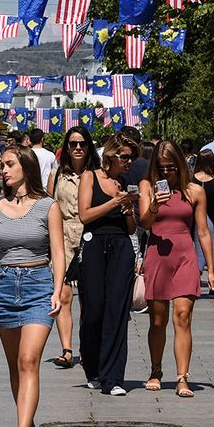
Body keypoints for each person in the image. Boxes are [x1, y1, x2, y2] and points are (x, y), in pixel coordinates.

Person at [0, 145, 64, 427]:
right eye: (1, 165)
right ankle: (26, 426)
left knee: (29, 360)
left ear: (25, 167)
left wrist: (57, 290)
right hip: (4, 290)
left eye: (9, 164)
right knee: (16, 365)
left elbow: (58, 251)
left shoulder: (48, 206)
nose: (3, 170)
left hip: (38, 286)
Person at [139, 141, 214, 396]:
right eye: (161, 168)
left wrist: (211, 268)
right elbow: (145, 223)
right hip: (158, 256)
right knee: (158, 320)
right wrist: (154, 206)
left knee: (182, 316)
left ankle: (182, 377)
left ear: (180, 165)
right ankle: (156, 369)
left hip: (184, 257)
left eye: (171, 167)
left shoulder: (195, 191)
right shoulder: (147, 187)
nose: (166, 173)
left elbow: (203, 231)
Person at [77, 133, 138, 395]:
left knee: (117, 311)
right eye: (125, 156)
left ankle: (113, 378)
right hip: (94, 245)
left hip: (121, 247)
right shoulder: (90, 177)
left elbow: (132, 228)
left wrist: (128, 212)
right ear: (111, 156)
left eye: (131, 157)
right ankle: (93, 367)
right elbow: (84, 215)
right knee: (93, 312)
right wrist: (114, 202)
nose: (129, 162)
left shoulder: (125, 183)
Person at [47, 126, 98, 369]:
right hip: (63, 238)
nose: (77, 148)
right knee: (64, 295)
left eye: (82, 144)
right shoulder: (57, 175)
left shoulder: (98, 174)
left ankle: (86, 347)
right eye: (73, 144)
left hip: (90, 237)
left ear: (88, 147)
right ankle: (66, 350)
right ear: (66, 148)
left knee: (89, 299)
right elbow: (48, 209)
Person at [192, 150, 214, 295]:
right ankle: (213, 284)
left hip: (195, 220)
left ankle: (196, 278)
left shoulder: (192, 180)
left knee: (198, 251)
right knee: (213, 251)